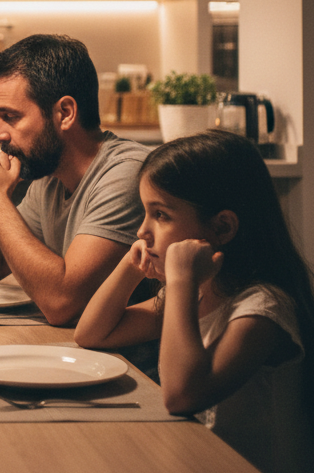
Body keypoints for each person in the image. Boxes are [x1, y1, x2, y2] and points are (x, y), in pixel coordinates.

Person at [75, 130, 314, 473]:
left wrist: (182, 281)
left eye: (161, 215)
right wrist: (131, 267)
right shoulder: (202, 292)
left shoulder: (264, 309)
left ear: (222, 227)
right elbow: (93, 334)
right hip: (194, 458)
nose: (143, 230)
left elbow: (182, 395)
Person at [0, 34, 148, 325]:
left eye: (10, 116)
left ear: (65, 113)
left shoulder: (126, 174)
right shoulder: (50, 176)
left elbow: (62, 304)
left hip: (133, 364)